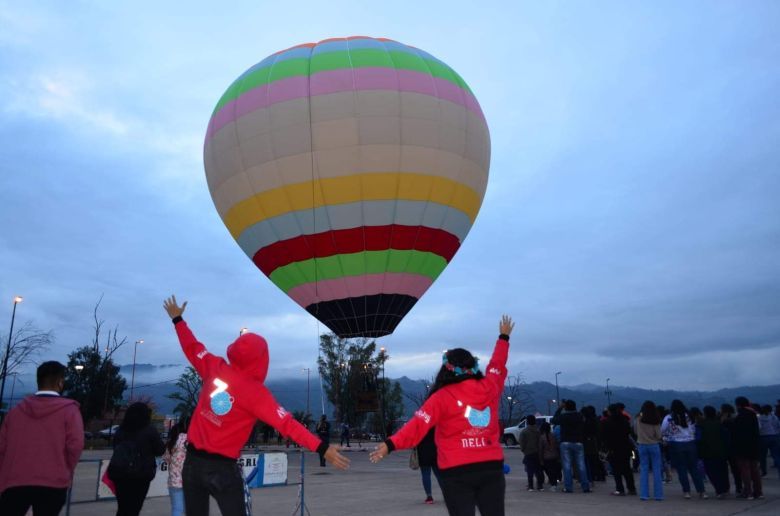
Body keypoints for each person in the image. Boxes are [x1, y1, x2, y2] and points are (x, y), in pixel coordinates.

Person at [162, 296, 349, 516]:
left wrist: (178, 319)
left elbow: (192, 347)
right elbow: (288, 425)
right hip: (222, 469)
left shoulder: (214, 367)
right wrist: (322, 447)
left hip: (192, 465)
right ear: (262, 360)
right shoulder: (257, 394)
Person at [369, 315, 515, 516]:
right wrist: (503, 338)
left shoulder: (441, 397)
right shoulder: (490, 387)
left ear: (446, 369)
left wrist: (390, 444)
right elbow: (497, 366)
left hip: (456, 471)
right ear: (473, 366)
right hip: (491, 468)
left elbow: (417, 426)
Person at [0, 361, 84, 516]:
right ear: (60, 382)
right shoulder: (70, 412)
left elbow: (2, 447)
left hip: (14, 481)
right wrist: (67, 470)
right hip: (53, 481)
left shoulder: (15, 412)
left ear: (38, 381)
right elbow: (76, 445)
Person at [108, 402, 165, 516]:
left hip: (119, 473)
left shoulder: (121, 430)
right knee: (134, 507)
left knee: (123, 507)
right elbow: (160, 450)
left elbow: (115, 447)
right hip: (140, 475)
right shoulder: (149, 430)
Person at [661, 399, 707, 499]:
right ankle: (702, 491)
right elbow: (694, 428)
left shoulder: (669, 417)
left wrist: (667, 438)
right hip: (690, 443)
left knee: (681, 469)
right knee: (694, 469)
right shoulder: (690, 416)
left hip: (676, 445)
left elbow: (663, 430)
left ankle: (687, 492)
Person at [552, 400, 591, 493]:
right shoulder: (580, 416)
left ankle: (568, 487)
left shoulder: (563, 416)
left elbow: (554, 420)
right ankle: (585, 486)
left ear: (565, 407)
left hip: (565, 442)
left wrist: (559, 408)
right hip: (578, 442)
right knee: (581, 465)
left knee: (567, 465)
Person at [601, 404, 636, 496]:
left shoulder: (607, 422)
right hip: (625, 447)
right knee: (627, 469)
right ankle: (631, 488)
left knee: (616, 470)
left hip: (613, 448)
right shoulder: (624, 421)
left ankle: (620, 489)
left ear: (610, 411)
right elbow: (629, 432)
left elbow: (604, 436)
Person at [696, 406, 729, 498]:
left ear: (705, 413)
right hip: (721, 451)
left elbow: (699, 440)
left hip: (707, 452)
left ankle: (719, 490)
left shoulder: (701, 425)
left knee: (711, 472)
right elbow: (725, 438)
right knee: (722, 471)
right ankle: (725, 489)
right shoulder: (719, 424)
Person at [733, 396, 762, 499]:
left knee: (745, 470)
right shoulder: (754, 414)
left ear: (738, 405)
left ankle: (748, 492)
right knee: (755, 470)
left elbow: (736, 433)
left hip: (742, 447)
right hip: (754, 446)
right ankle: (758, 492)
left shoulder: (739, 416)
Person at [635, 400, 663, 501]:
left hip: (642, 445)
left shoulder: (638, 418)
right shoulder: (655, 419)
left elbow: (635, 431)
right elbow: (659, 435)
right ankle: (658, 495)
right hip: (654, 445)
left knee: (644, 469)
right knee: (656, 470)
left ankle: (644, 495)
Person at [163, 417, 189, 516]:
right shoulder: (191, 438)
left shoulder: (172, 441)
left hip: (174, 481)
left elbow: (166, 458)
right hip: (190, 481)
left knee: (177, 509)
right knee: (191, 509)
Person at [720, 403, 742, 494]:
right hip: (735, 447)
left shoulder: (722, 421)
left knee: (723, 470)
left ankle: (726, 488)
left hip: (724, 448)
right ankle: (739, 487)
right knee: (736, 470)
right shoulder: (736, 419)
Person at [519, 415, 544, 491]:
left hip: (528, 453)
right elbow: (541, 442)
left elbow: (522, 443)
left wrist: (523, 450)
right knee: (538, 470)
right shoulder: (538, 431)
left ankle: (531, 486)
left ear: (527, 422)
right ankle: (540, 486)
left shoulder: (524, 431)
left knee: (529, 470)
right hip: (537, 453)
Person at [417, 428, 442, 504]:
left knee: (425, 475)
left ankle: (429, 496)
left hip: (423, 452)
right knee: (439, 475)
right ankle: (446, 493)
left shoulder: (420, 426)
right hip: (435, 452)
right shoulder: (435, 425)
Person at [758, 404, 780, 478]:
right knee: (776, 455)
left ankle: (763, 471)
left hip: (763, 437)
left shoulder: (760, 417)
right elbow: (778, 425)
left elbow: (759, 427)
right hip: (774, 436)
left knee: (762, 456)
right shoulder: (774, 417)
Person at [538, 421, 561, 491]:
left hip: (546, 457)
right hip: (555, 456)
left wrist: (540, 460)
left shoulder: (542, 437)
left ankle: (553, 484)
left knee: (549, 471)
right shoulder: (553, 436)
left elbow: (540, 449)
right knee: (553, 471)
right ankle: (554, 483)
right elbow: (557, 446)